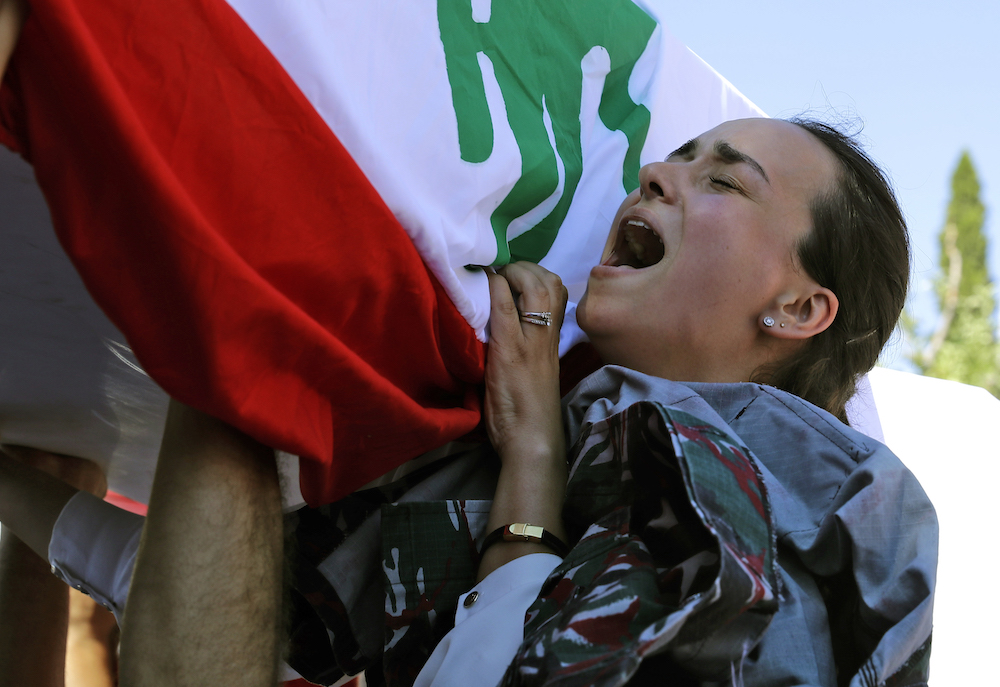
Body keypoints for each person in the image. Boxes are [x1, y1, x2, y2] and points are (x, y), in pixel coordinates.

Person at [0, 114, 934, 686]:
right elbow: (217, 611)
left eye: (724, 180)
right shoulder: (575, 442)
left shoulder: (812, 516)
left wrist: (530, 462)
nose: (658, 175)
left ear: (800, 308)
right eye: (677, 159)